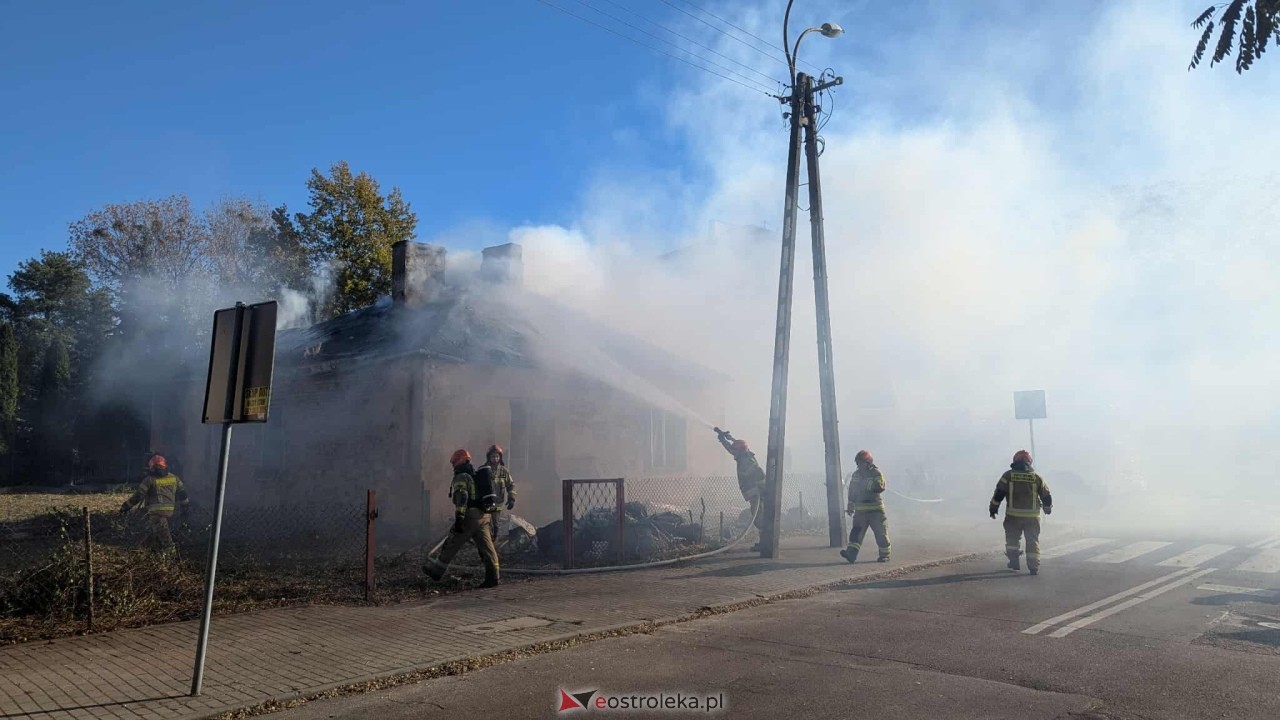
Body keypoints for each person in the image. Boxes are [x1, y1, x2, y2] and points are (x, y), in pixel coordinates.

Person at [425, 449, 501, 588]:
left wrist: (459, 517)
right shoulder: (476, 475)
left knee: (451, 543)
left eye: (454, 462)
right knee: (488, 548)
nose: (453, 465)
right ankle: (493, 577)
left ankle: (436, 571)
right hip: (484, 516)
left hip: (470, 517)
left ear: (458, 461)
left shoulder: (462, 476)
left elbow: (462, 496)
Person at [990, 449, 1053, 575]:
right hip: (1032, 517)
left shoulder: (1008, 475)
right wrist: (1047, 509)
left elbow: (999, 494)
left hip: (1013, 516)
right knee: (1032, 540)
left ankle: (1014, 561)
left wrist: (993, 508)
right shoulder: (1036, 477)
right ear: (1029, 462)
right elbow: (1046, 495)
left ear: (1015, 461)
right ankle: (1033, 567)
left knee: (1012, 540)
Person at [120, 453, 189, 552]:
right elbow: (183, 494)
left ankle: (170, 560)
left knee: (167, 543)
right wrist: (185, 508)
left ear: (151, 468)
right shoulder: (174, 478)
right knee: (155, 534)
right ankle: (144, 552)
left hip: (157, 514)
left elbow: (138, 496)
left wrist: (126, 506)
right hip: (170, 513)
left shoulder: (149, 480)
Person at [714, 427, 767, 551]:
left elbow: (755, 472)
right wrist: (727, 438)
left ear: (740, 450)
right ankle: (765, 543)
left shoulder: (745, 461)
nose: (733, 452)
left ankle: (765, 544)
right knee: (759, 517)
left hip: (756, 494)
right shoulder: (746, 454)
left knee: (759, 518)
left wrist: (724, 441)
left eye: (735, 449)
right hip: (757, 493)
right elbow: (736, 447)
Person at [840, 450, 891, 563]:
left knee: (880, 533)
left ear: (868, 463)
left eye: (860, 463)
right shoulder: (856, 474)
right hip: (860, 512)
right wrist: (850, 504)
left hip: (876, 511)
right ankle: (851, 554)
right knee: (856, 533)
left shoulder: (876, 473)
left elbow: (880, 487)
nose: (858, 465)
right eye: (857, 463)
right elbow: (852, 490)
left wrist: (866, 485)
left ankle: (884, 555)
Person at [475, 444, 516, 529]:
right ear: (489, 457)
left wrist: (511, 498)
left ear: (500, 457)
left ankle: (493, 541)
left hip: (497, 505)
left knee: (495, 527)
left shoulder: (504, 471)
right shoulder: (483, 470)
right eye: (493, 456)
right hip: (485, 504)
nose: (495, 458)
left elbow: (511, 485)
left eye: (497, 456)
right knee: (484, 526)